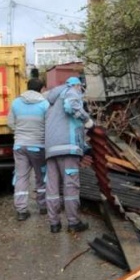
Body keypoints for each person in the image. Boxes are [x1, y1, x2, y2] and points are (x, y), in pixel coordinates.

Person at [44, 77, 94, 233]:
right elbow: (72, 107)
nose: (81, 91)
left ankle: (54, 224)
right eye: (81, 87)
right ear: (77, 85)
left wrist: (84, 146)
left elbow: (67, 125)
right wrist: (87, 120)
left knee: (52, 187)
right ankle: (73, 223)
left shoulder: (53, 102)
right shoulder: (71, 91)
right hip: (67, 149)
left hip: (51, 149)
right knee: (70, 185)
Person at [7, 78, 50, 221]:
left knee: (21, 177)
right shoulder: (45, 104)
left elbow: (11, 124)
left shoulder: (16, 102)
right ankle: (43, 206)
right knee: (41, 177)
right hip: (38, 146)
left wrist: (20, 132)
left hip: (19, 146)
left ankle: (21, 210)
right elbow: (49, 125)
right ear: (42, 89)